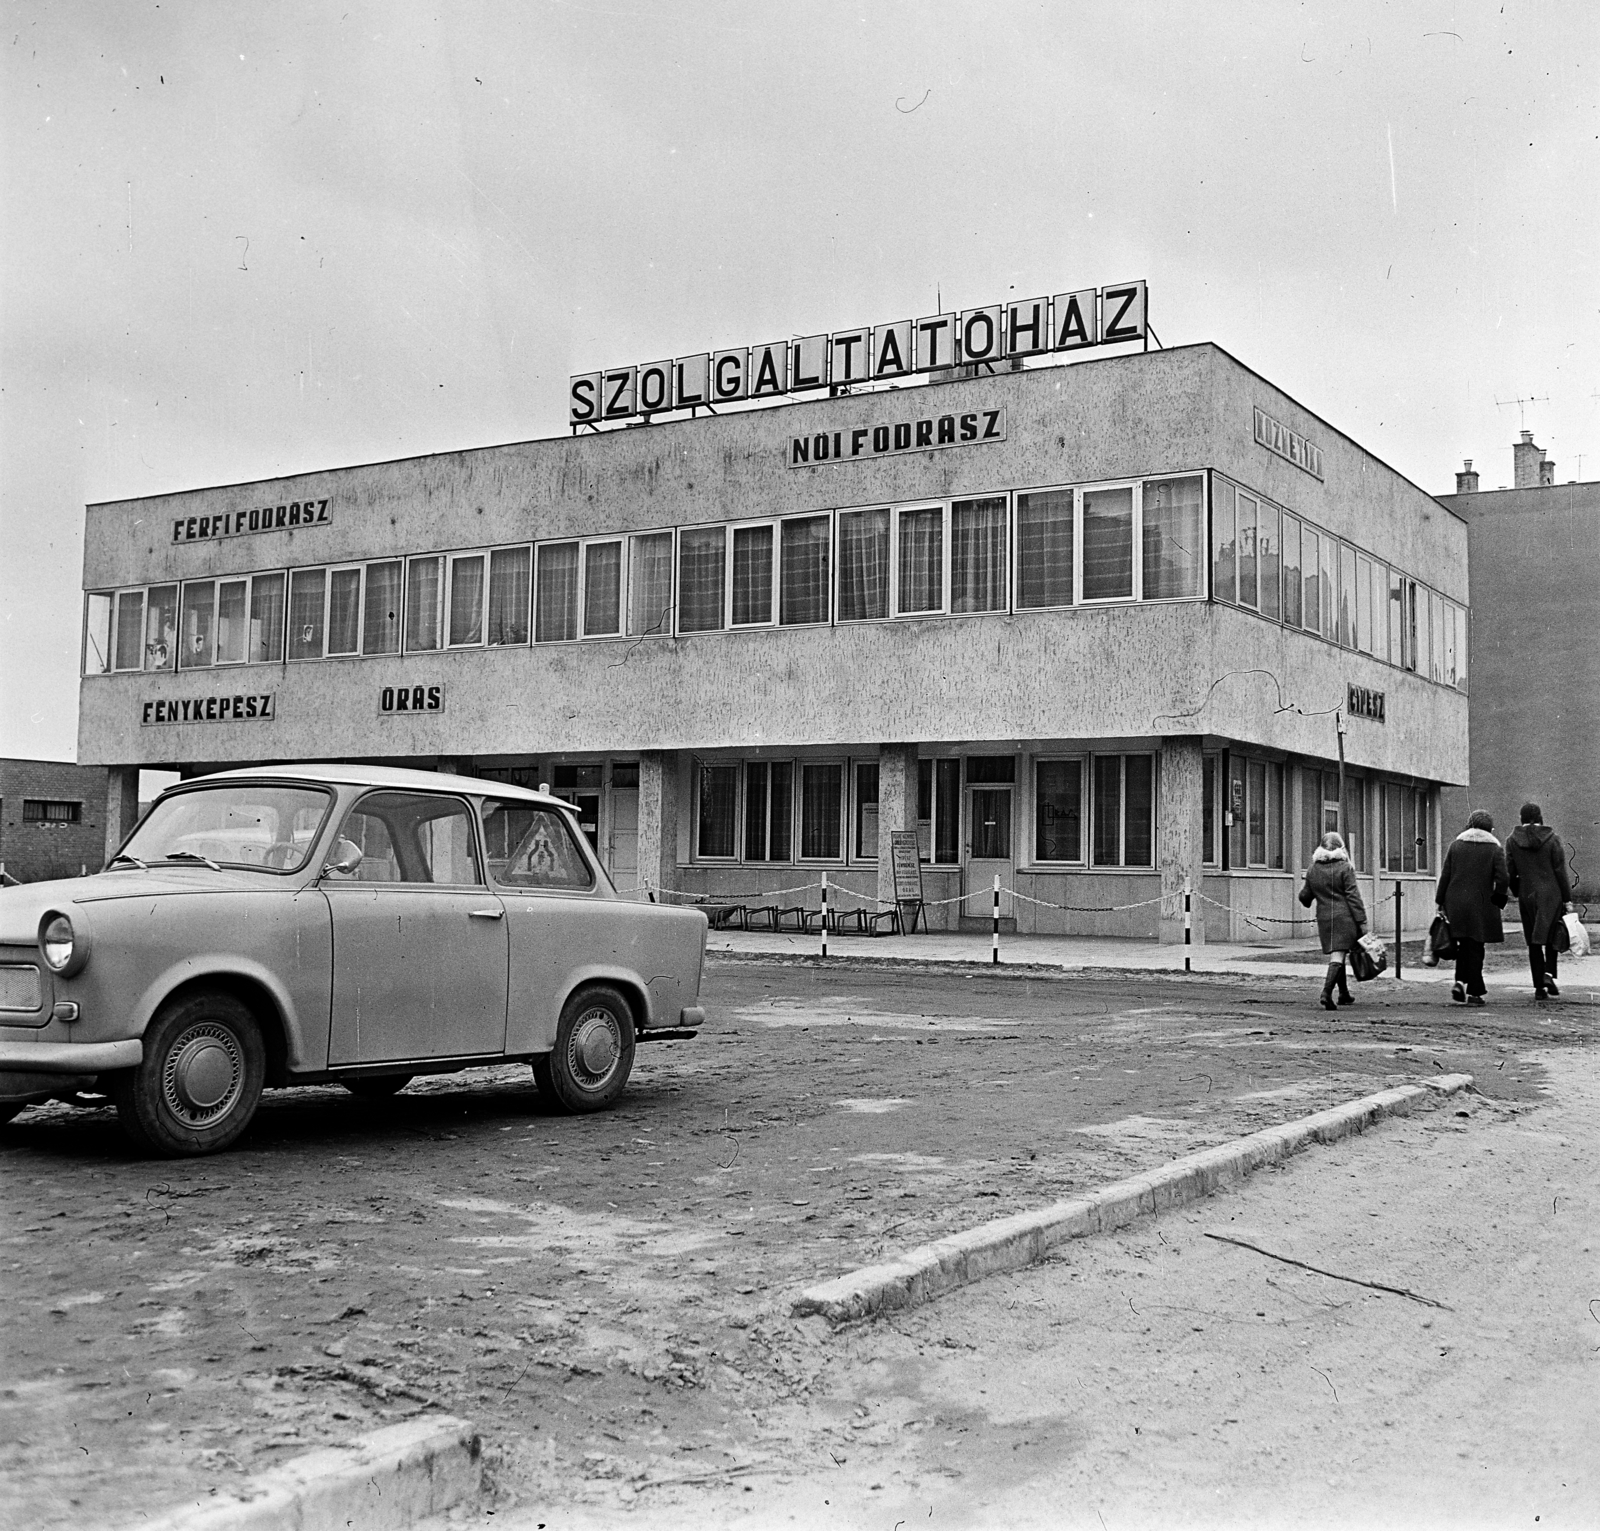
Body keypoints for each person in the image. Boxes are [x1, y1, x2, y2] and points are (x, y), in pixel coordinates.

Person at [1434, 809, 1509, 1006]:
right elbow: (1503, 878)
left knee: (1463, 945)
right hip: (1481, 904)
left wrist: (1440, 901)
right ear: (1489, 828)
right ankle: (1474, 992)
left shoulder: (1456, 846)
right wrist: (1499, 898)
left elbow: (1446, 875)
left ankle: (1459, 981)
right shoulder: (1495, 849)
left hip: (1455, 902)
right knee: (1476, 946)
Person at [1505, 803, 1573, 999]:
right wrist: (1567, 898)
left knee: (1533, 940)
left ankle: (1539, 988)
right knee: (1552, 936)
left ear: (1521, 817)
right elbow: (1560, 870)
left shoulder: (1512, 841)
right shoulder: (1552, 839)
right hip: (1552, 893)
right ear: (1540, 816)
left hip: (1527, 894)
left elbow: (1510, 871)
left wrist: (1518, 891)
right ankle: (1549, 974)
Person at [1298, 831, 1366, 1011]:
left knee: (1339, 952)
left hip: (1325, 918)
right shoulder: (1345, 867)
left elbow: (1305, 896)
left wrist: (1312, 894)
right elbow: (1353, 897)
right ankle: (1326, 993)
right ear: (1341, 847)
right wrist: (1362, 921)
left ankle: (1343, 993)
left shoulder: (1313, 869)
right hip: (1344, 917)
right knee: (1339, 954)